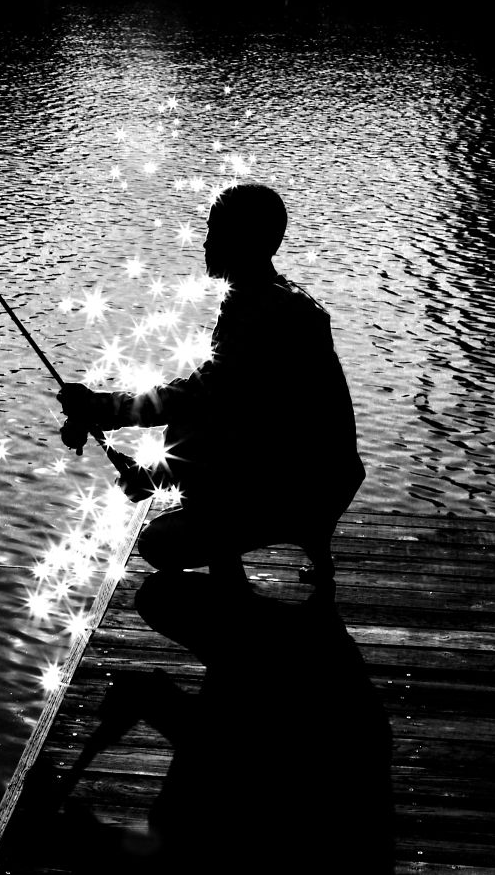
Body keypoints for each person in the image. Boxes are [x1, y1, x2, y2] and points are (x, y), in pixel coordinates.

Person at [57, 183, 365, 593]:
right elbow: (236, 410)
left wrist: (105, 411)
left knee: (157, 545)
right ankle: (305, 542)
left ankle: (232, 594)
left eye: (214, 231)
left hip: (300, 482)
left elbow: (206, 403)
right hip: (328, 475)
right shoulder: (282, 299)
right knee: (198, 423)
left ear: (243, 241)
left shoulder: (258, 313)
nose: (205, 242)